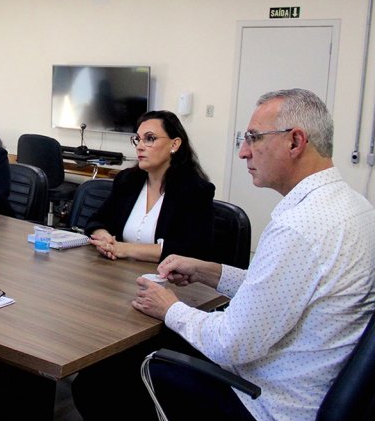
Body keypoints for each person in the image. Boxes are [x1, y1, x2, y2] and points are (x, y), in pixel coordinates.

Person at [130, 89, 375, 420]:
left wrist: (168, 307)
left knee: (111, 377)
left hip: (264, 402)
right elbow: (279, 290)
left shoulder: (300, 227)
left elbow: (231, 343)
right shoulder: (354, 206)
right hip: (309, 386)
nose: (244, 152)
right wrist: (209, 272)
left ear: (295, 141)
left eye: (254, 138)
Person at [85, 110, 215, 262]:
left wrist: (124, 249)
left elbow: (192, 250)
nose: (140, 146)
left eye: (150, 139)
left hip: (165, 275)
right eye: (138, 139)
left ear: (174, 144)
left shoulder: (195, 190)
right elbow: (96, 220)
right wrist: (104, 237)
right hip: (118, 271)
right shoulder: (127, 180)